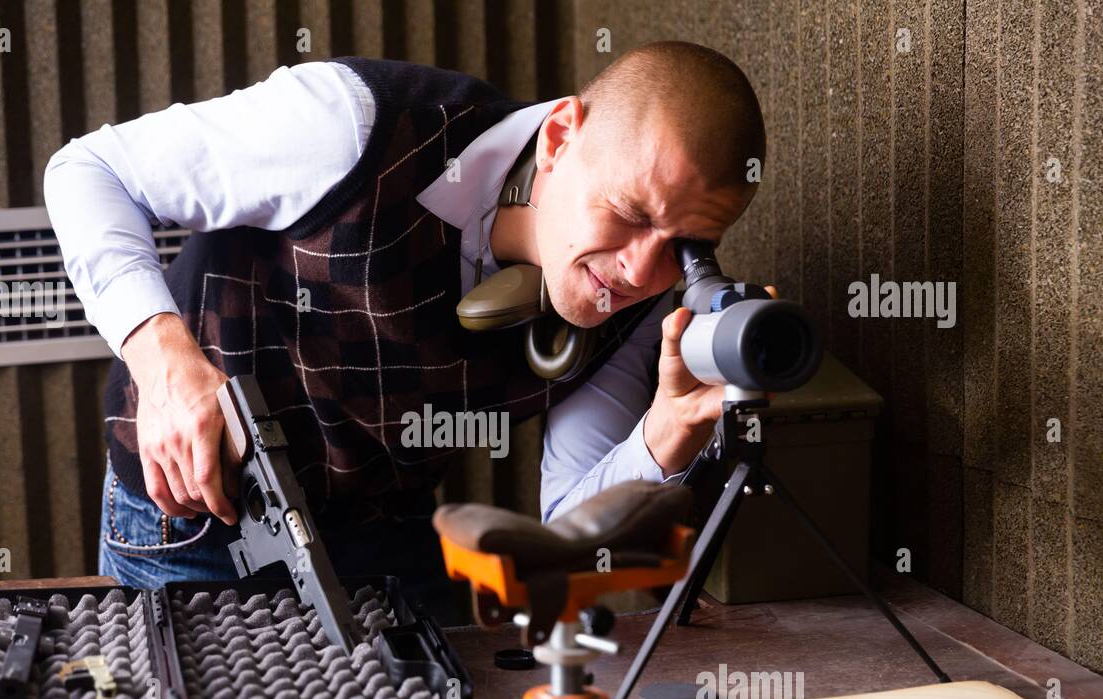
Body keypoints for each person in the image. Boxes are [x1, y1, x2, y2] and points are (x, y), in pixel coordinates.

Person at [44, 41, 766, 625]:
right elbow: (89, 170)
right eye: (631, 212)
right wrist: (167, 368)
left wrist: (670, 428)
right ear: (559, 136)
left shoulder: (644, 305)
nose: (642, 269)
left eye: (684, 243)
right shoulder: (347, 124)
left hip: (384, 534)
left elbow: (569, 527)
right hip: (198, 521)